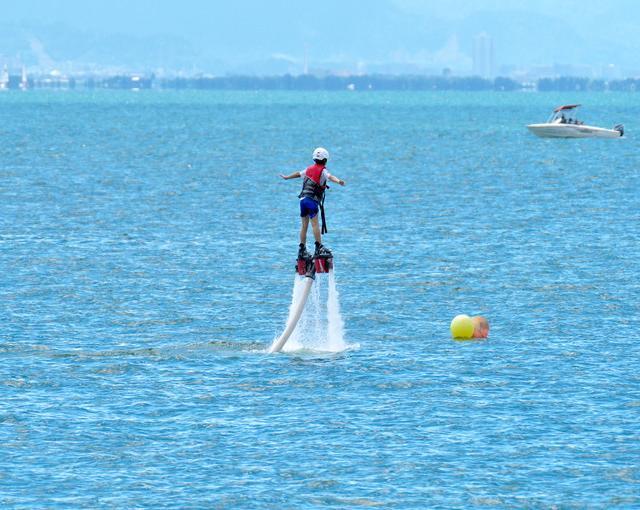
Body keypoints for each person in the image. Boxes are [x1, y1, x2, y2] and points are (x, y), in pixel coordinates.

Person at [279, 147, 345, 258]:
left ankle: (302, 249)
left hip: (302, 200)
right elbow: (331, 177)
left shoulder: (308, 169)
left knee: (304, 226)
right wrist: (339, 181)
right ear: (325, 160)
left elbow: (298, 174)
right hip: (311, 201)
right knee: (315, 224)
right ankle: (319, 247)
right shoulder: (323, 171)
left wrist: (287, 177)